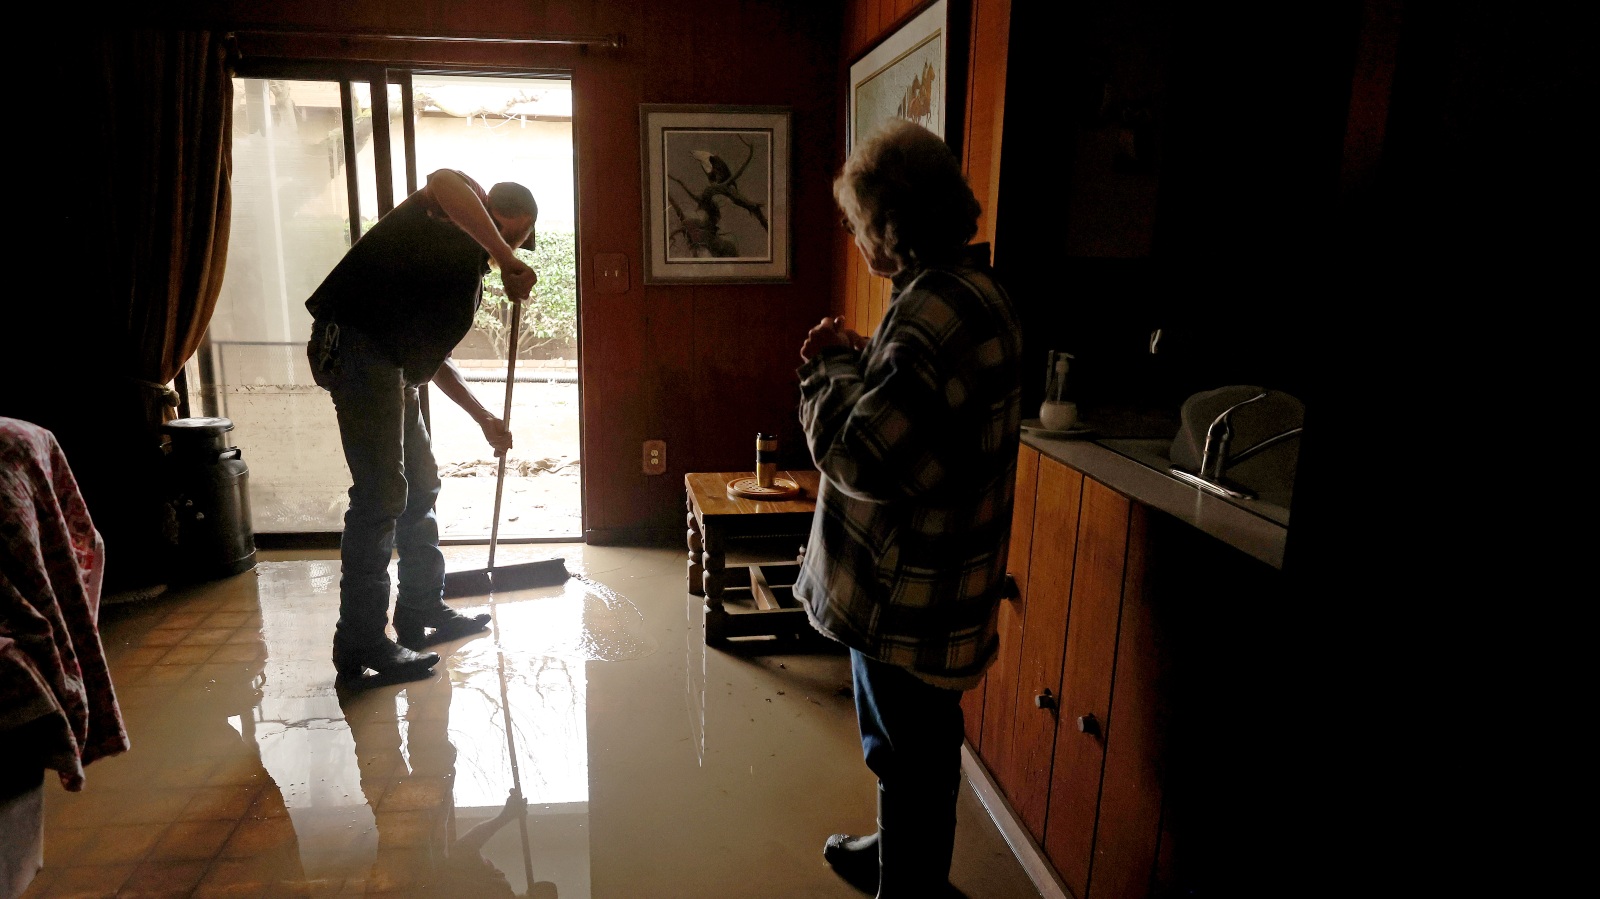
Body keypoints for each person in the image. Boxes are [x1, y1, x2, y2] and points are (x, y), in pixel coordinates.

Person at [793, 119, 1023, 898]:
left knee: (908, 749)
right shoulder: (970, 290)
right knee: (917, 743)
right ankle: (900, 853)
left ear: (893, 224)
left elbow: (863, 457)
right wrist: (867, 359)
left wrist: (826, 366)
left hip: (906, 594)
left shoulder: (929, 313)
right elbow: (924, 415)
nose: (858, 241)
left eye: (860, 224)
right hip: (946, 580)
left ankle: (910, 885)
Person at [306, 168, 538, 684]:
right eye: (507, 235)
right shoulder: (450, 207)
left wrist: (483, 418)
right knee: (382, 493)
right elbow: (443, 179)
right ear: (509, 227)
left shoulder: (464, 275)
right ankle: (361, 643)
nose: (504, 247)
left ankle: (420, 611)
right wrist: (506, 256)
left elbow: (429, 360)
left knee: (420, 486)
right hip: (357, 347)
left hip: (391, 364)